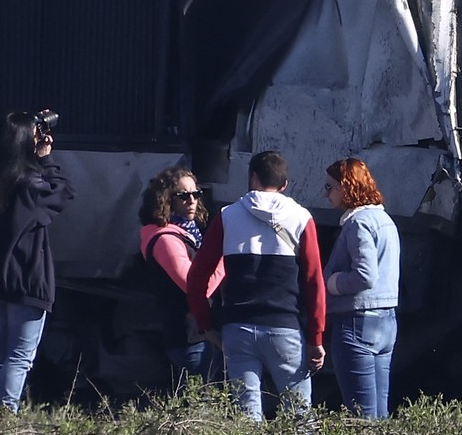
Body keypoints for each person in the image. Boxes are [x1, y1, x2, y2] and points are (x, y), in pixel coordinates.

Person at [185, 149, 327, 421]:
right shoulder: (301, 218)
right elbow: (313, 282)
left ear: (252, 177)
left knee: (247, 419)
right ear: (284, 185)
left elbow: (197, 276)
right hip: (284, 328)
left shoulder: (227, 216)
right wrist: (316, 338)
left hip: (237, 329)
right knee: (298, 417)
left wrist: (206, 325)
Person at [0, 110, 75, 413]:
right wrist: (46, 158)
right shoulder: (30, 185)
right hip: (26, 278)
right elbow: (65, 192)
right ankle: (4, 420)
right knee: (20, 357)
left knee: (3, 354)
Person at [324, 157, 402, 419]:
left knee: (362, 415)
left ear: (346, 188)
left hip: (358, 323)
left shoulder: (358, 223)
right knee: (379, 411)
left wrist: (331, 284)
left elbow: (365, 275)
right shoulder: (385, 220)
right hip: (386, 321)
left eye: (330, 187)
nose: (326, 194)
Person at [138, 165, 211, 383]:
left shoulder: (190, 233)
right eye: (183, 196)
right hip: (188, 335)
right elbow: (193, 285)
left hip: (199, 332)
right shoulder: (166, 239)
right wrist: (225, 263)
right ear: (167, 199)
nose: (192, 201)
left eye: (195, 194)